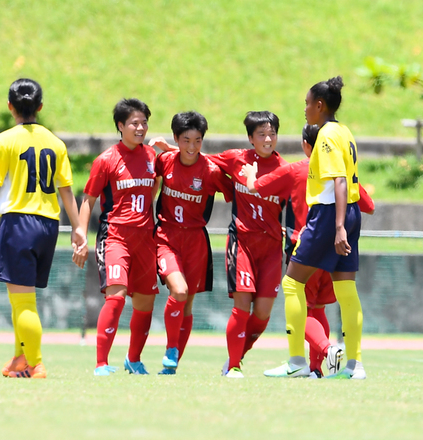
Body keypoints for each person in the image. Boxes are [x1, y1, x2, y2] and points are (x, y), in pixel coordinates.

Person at [158, 111, 292, 378]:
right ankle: (233, 365)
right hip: (242, 243)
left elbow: (296, 203)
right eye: (262, 134)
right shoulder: (235, 158)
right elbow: (196, 157)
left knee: (262, 314)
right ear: (250, 138)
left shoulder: (285, 170)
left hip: (272, 248)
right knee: (240, 305)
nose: (268, 139)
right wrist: (173, 148)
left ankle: (237, 353)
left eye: (272, 134)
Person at [0, 78, 87, 379]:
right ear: (40, 107)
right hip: (48, 225)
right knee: (21, 299)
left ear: (10, 107)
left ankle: (35, 363)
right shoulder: (55, 143)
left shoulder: (4, 141)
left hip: (19, 223)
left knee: (23, 302)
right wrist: (77, 228)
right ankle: (20, 359)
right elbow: (66, 191)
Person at [242, 124, 375, 378]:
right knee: (321, 309)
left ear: (306, 145)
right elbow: (368, 205)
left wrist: (250, 174)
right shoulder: (344, 174)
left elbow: (256, 186)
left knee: (298, 298)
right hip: (338, 248)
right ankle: (319, 369)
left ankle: (323, 351)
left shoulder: (296, 170)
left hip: (307, 246)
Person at [261, 76, 366, 379]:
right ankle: (354, 365)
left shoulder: (327, 136)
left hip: (328, 215)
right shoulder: (344, 131)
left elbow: (339, 181)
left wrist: (338, 228)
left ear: (320, 106)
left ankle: (296, 361)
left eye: (308, 103)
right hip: (352, 213)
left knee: (294, 284)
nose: (305, 109)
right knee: (346, 289)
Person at [78, 98, 159, 376]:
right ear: (120, 126)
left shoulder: (152, 157)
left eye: (144, 122)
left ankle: (133, 360)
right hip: (115, 237)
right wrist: (80, 233)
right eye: (134, 123)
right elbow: (88, 200)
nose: (140, 127)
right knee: (116, 296)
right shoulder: (106, 160)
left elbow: (155, 188)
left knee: (146, 301)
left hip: (146, 239)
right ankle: (101, 363)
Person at [150, 111, 233, 375]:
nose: (192, 147)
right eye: (186, 140)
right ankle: (171, 349)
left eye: (198, 141)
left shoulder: (210, 170)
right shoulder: (165, 160)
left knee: (187, 303)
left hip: (196, 240)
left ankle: (172, 365)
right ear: (176, 138)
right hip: (166, 236)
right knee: (180, 290)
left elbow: (234, 193)